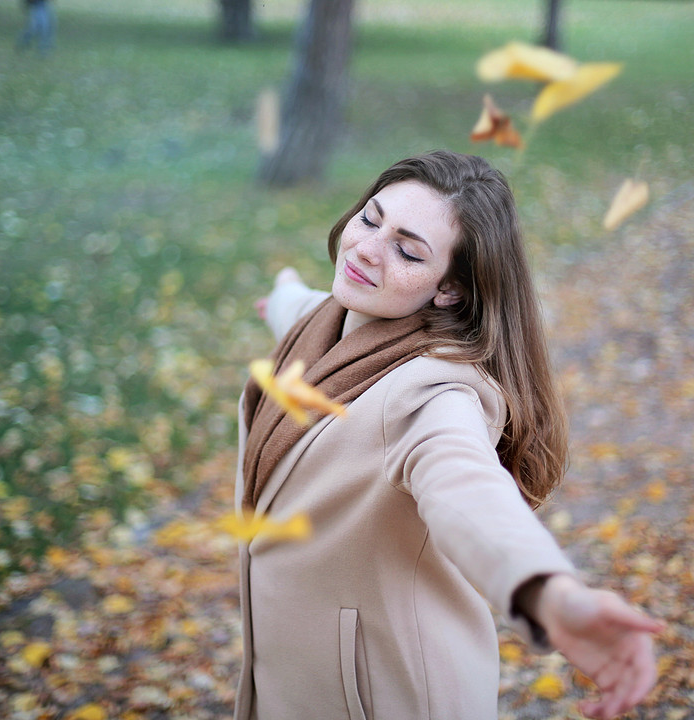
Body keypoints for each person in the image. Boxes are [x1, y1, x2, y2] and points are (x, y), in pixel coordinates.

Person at [237, 150, 664, 720]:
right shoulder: (324, 321)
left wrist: (551, 594)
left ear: (449, 291)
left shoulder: (434, 393)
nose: (366, 248)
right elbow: (301, 308)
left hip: (388, 695)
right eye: (371, 218)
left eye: (408, 250)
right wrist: (283, 292)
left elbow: (466, 485)